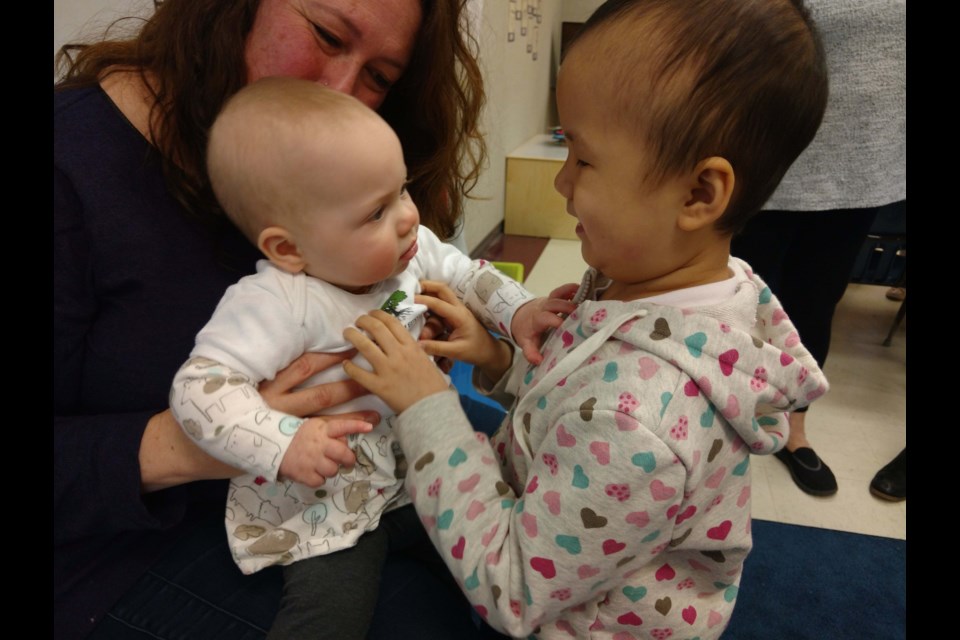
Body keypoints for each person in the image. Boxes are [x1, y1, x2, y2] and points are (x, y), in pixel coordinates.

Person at [341, 0, 831, 637]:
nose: (561, 183)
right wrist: (496, 360)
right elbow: (576, 387)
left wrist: (425, 404)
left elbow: (512, 588)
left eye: (584, 159)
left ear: (699, 194)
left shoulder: (638, 424)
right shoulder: (662, 283)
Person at [54, 1, 503, 638]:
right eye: (325, 35)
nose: (343, 93)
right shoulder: (73, 165)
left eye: (379, 76)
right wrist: (207, 444)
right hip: (121, 548)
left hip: (364, 479)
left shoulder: (349, 177)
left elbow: (456, 270)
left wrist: (478, 333)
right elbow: (206, 396)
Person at [171, 77, 572, 638]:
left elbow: (470, 275)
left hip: (412, 479)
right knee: (330, 619)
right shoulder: (275, 303)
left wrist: (520, 312)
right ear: (289, 248)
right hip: (326, 507)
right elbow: (198, 388)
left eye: (401, 191)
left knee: (498, 565)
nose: (408, 217)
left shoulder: (411, 252)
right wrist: (280, 440)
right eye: (375, 212)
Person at [730, 0, 906, 497]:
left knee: (816, 298)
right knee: (738, 298)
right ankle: (722, 417)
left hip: (865, 166)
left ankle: (793, 430)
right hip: (766, 154)